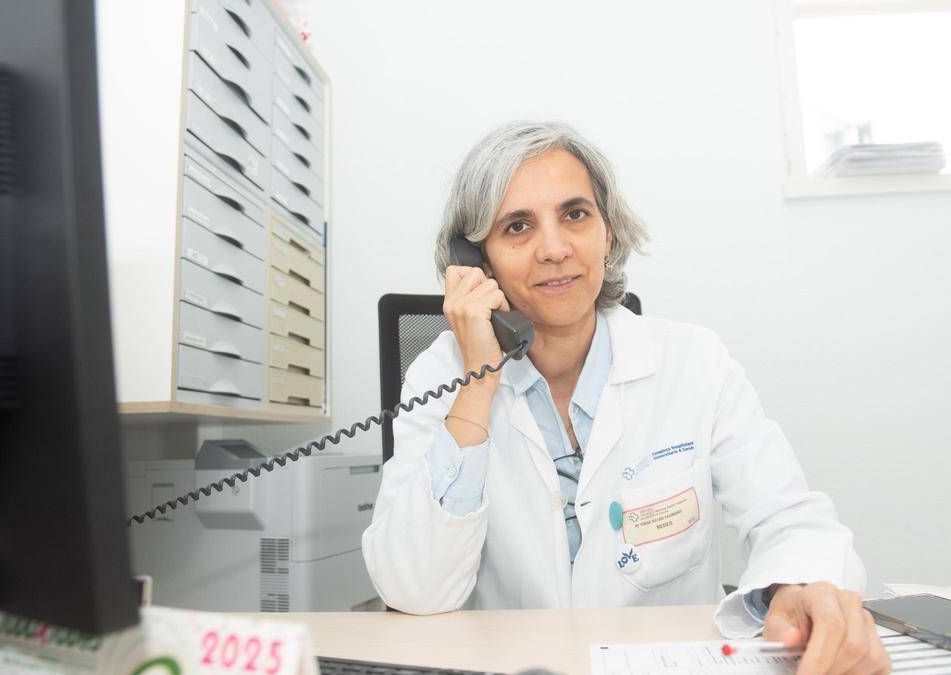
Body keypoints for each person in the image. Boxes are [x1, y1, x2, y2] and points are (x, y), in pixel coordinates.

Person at [362, 121, 890, 675]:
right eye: (517, 226)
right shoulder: (441, 376)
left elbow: (789, 518)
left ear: (608, 233)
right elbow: (415, 588)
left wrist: (800, 586)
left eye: (575, 215)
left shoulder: (695, 362)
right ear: (477, 261)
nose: (555, 249)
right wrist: (477, 382)